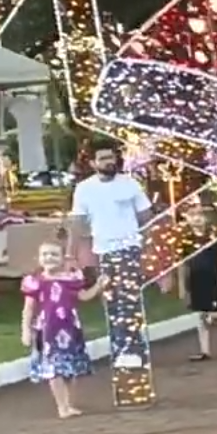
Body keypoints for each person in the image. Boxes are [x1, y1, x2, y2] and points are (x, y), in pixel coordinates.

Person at [68, 138, 153, 377]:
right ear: (94, 163)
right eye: (103, 159)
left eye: (111, 157)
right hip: (104, 250)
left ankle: (133, 349)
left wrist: (147, 243)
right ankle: (121, 349)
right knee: (112, 298)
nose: (109, 162)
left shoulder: (130, 184)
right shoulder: (85, 188)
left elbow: (146, 217)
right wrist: (70, 254)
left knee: (128, 298)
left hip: (129, 247)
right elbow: (77, 222)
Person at [20, 240, 105, 419]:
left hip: (70, 329)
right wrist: (26, 330)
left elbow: (83, 296)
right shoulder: (35, 282)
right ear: (39, 258)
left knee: (71, 368)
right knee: (54, 368)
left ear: (62, 259)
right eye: (45, 254)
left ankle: (69, 403)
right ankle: (62, 406)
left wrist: (98, 286)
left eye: (54, 254)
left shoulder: (71, 279)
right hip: (48, 331)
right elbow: (28, 309)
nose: (49, 258)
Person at [180, 204, 217, 360]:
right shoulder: (186, 241)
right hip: (195, 280)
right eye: (192, 214)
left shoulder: (213, 238)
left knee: (212, 312)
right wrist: (182, 286)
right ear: (186, 218)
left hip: (212, 279)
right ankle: (205, 350)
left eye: (199, 214)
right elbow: (182, 265)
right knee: (202, 314)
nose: (197, 218)